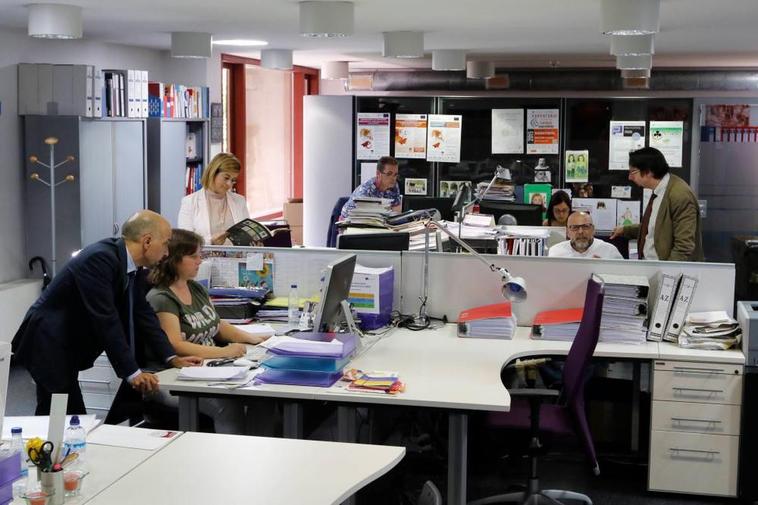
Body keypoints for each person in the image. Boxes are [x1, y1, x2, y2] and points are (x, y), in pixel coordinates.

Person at [12, 210, 202, 415]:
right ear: (147, 241)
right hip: (47, 342)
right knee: (63, 414)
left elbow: (143, 313)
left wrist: (170, 357)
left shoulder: (130, 264)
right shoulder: (100, 259)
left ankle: (47, 445)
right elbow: (105, 318)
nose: (166, 253)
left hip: (65, 344)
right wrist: (132, 373)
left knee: (60, 414)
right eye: (165, 244)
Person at [146, 229, 271, 433]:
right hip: (172, 377)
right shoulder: (161, 297)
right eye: (193, 256)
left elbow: (217, 325)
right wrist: (225, 352)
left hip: (210, 369)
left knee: (263, 397)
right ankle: (230, 459)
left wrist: (254, 339)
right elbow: (176, 345)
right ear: (174, 258)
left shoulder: (195, 288)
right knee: (226, 406)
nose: (199, 260)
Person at [610, 147, 703, 261]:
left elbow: (684, 246)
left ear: (648, 171)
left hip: (667, 272)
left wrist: (667, 275)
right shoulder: (659, 190)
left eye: (633, 172)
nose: (630, 177)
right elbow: (656, 227)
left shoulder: (680, 195)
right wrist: (625, 230)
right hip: (652, 266)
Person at [178, 152, 250, 245]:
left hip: (238, 258)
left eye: (233, 180)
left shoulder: (240, 201)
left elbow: (247, 235)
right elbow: (184, 241)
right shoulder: (189, 202)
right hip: (203, 259)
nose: (229, 184)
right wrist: (210, 241)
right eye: (226, 178)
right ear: (213, 173)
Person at [549, 211, 623, 259]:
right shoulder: (556, 252)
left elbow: (623, 279)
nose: (580, 231)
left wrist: (603, 269)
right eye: (575, 227)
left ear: (593, 230)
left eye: (586, 226)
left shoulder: (609, 251)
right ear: (568, 232)